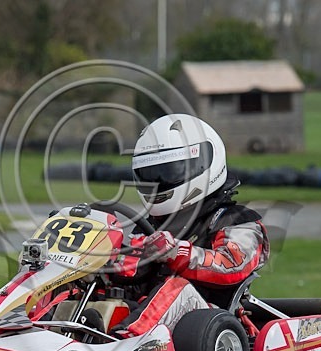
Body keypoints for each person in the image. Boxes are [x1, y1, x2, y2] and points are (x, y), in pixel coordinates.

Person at [112, 113, 270, 338]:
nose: (158, 182)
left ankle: (124, 342)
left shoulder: (236, 219)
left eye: (169, 172)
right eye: (150, 175)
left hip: (209, 320)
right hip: (147, 311)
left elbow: (231, 265)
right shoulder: (147, 227)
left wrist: (178, 253)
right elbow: (132, 272)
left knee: (176, 288)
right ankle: (60, 333)